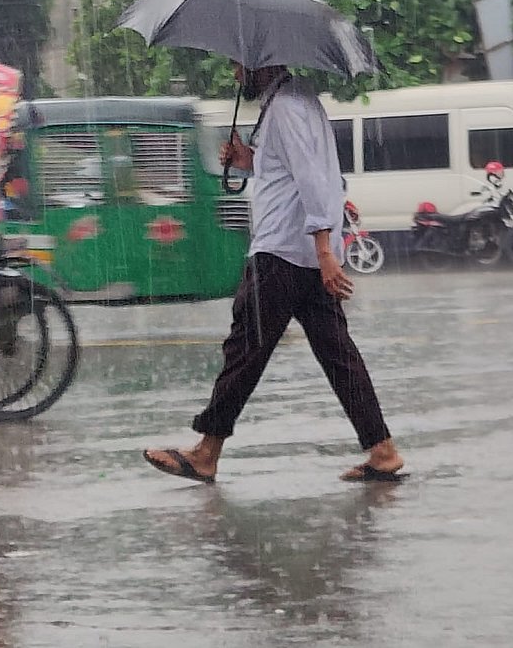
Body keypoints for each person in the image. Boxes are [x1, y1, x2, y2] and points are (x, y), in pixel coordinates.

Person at [142, 63, 405, 484]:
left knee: (245, 349)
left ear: (260, 63)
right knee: (338, 355)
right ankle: (382, 449)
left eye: (238, 65)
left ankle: (206, 453)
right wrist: (248, 160)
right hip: (301, 253)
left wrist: (324, 250)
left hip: (283, 251)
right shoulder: (295, 100)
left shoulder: (286, 108)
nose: (234, 74)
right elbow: (288, 170)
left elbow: (313, 179)